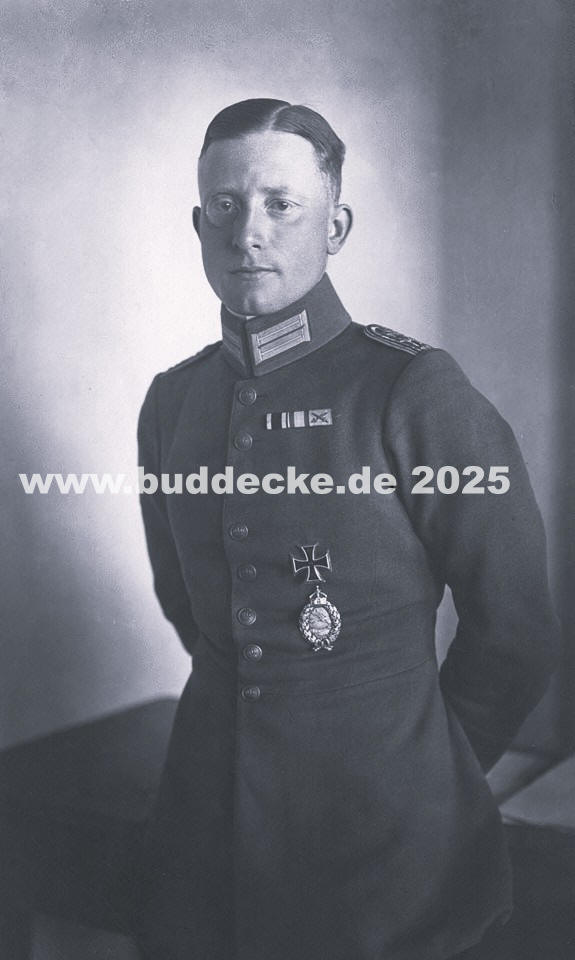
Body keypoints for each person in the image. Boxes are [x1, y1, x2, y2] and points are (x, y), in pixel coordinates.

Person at [134, 98, 560, 960]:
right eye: (223, 206)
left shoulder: (411, 390)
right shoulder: (174, 400)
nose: (247, 233)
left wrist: (425, 771)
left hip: (384, 849)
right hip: (205, 827)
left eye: (280, 205)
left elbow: (513, 632)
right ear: (198, 223)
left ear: (335, 227)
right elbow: (186, 600)